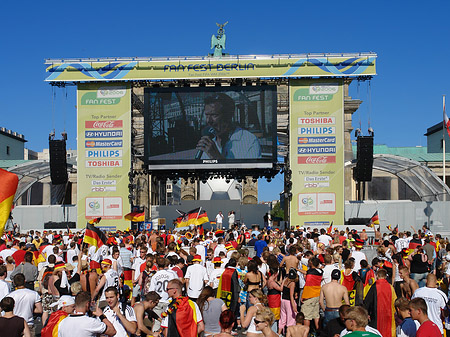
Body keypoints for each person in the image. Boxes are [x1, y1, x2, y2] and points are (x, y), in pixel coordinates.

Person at [195, 93, 262, 160]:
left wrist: (217, 158)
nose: (208, 121)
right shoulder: (208, 143)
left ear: (228, 116)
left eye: (214, 115)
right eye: (207, 115)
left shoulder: (248, 140)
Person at [363, 269, 397, 337]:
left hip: (377, 315)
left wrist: (366, 313)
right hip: (389, 315)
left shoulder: (374, 287)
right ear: (385, 277)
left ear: (377, 276)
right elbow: (394, 301)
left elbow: (367, 302)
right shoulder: (390, 287)